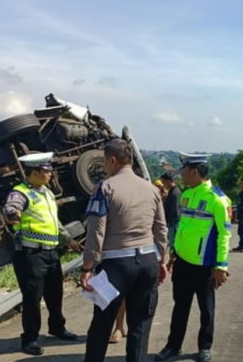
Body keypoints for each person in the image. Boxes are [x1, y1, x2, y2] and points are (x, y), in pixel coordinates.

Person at [81, 138, 169, 362]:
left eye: (104, 162)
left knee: (101, 324)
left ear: (112, 160)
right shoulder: (152, 189)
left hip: (116, 267)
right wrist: (162, 261)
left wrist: (87, 268)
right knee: (140, 325)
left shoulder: (104, 188)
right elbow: (161, 229)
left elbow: (96, 233)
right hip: (148, 262)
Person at [3, 152, 83, 356]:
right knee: (33, 298)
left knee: (55, 295)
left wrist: (69, 240)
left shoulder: (46, 192)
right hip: (31, 254)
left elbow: (53, 221)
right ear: (35, 172)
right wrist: (13, 214)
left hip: (50, 254)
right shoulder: (19, 193)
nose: (51, 175)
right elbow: (11, 209)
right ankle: (30, 339)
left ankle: (57, 327)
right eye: (47, 171)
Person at [155, 152, 231, 362]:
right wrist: (174, 255)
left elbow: (225, 234)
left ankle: (204, 346)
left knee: (206, 309)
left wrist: (221, 266)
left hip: (204, 266)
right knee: (180, 307)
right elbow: (182, 230)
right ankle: (173, 346)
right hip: (183, 262)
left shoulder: (217, 199)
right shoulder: (187, 195)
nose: (181, 174)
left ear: (194, 171)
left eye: (184, 170)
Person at [160, 172, 181, 249]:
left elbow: (174, 209)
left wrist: (169, 221)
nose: (163, 183)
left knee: (174, 244)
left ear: (169, 181)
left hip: (173, 223)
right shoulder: (172, 191)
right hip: (172, 223)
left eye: (164, 181)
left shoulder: (175, 193)